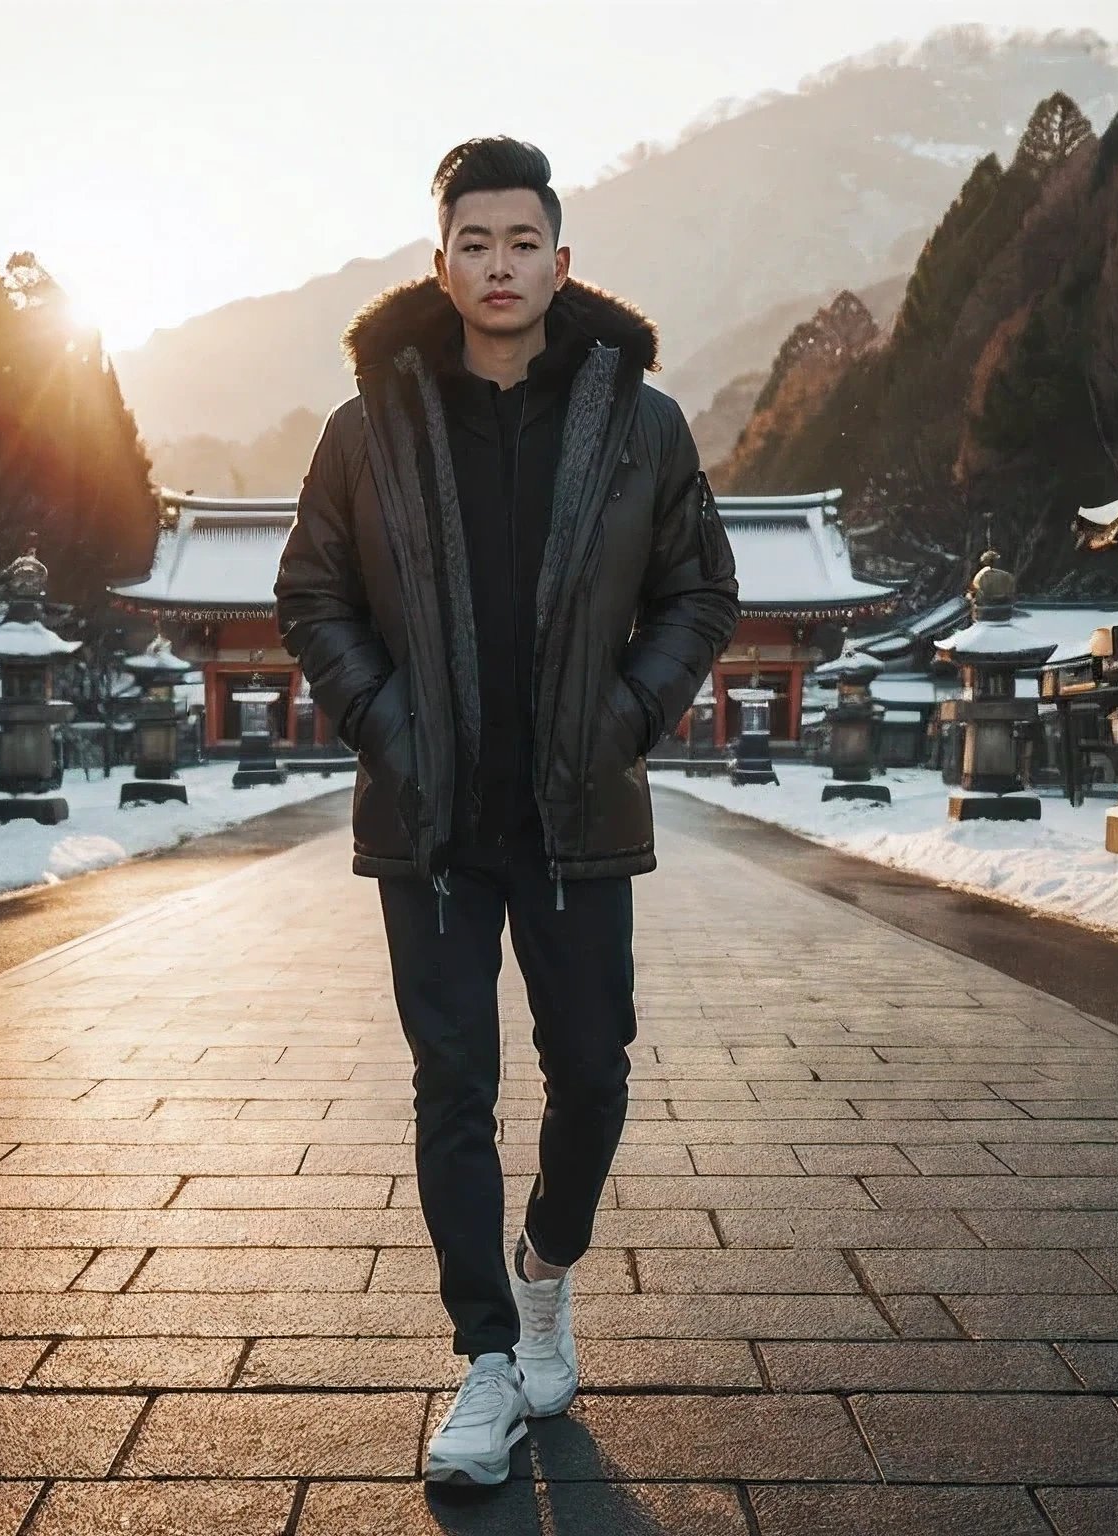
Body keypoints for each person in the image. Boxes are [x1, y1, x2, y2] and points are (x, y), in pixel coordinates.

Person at [274, 137, 738, 1487]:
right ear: (440, 261)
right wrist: (394, 724)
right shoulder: (372, 426)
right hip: (430, 817)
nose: (498, 265)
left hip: (576, 807)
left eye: (521, 242)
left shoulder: (639, 421)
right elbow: (315, 594)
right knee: (454, 1084)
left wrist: (622, 714)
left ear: (560, 260)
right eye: (472, 243)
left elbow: (701, 592)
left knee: (593, 1067)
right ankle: (487, 1356)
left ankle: (548, 1264)